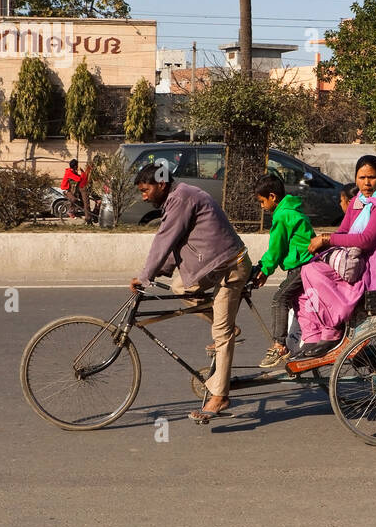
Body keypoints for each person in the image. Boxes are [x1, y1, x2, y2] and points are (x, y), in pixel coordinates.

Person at [129, 162, 250, 421]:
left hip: (231, 267)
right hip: (213, 267)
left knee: (221, 332)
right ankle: (224, 324)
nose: (144, 195)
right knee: (179, 287)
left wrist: (145, 275)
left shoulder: (182, 197)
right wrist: (156, 274)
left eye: (145, 189)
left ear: (161, 184)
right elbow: (177, 245)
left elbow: (164, 239)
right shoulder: (178, 198)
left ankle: (220, 396)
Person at [296, 154, 376, 358]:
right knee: (308, 271)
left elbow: (367, 240)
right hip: (353, 260)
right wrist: (323, 246)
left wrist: (327, 239)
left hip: (372, 267)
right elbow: (343, 231)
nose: (366, 183)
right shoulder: (357, 202)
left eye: (372, 177)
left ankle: (334, 326)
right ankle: (314, 334)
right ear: (356, 178)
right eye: (361, 178)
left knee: (313, 272)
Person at [253, 173, 315, 368]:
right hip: (302, 263)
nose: (262, 206)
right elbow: (276, 249)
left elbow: (276, 248)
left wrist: (265, 270)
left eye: (262, 201)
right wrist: (263, 266)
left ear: (272, 197)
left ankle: (279, 346)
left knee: (279, 299)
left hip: (303, 265)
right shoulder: (289, 210)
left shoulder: (282, 215)